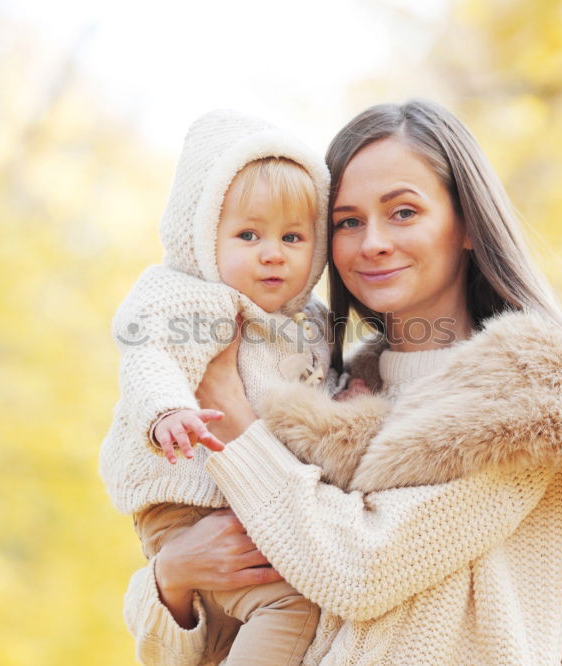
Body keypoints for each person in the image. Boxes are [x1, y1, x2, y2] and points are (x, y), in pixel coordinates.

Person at [122, 100, 562, 665]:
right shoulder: (329, 394)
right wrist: (170, 580)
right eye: (348, 221)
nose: (371, 242)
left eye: (402, 212)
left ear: (467, 225)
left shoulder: (532, 395)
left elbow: (360, 570)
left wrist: (233, 416)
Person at [100, 109, 338, 665]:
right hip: (186, 504)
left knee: (264, 619)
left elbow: (311, 393)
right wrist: (167, 412)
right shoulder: (191, 298)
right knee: (291, 605)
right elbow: (147, 354)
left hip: (253, 503)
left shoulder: (313, 323)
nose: (272, 252)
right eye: (248, 235)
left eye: (293, 236)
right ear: (204, 236)